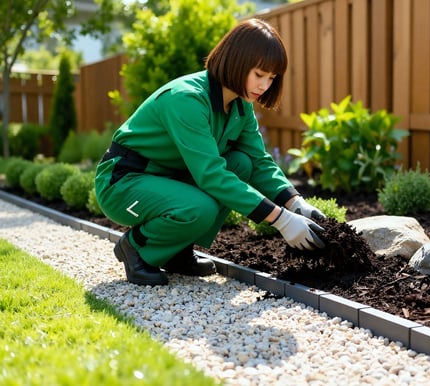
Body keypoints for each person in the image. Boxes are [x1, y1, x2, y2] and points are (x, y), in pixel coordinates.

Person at [94, 18, 326, 286]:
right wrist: (282, 220)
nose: (264, 86)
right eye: (259, 74)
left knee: (241, 163)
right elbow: (211, 175)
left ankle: (176, 252)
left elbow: (259, 161)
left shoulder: (240, 105)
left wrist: (295, 202)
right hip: (123, 183)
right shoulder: (187, 99)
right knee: (199, 207)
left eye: (271, 78)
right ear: (236, 61)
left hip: (168, 178)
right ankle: (136, 247)